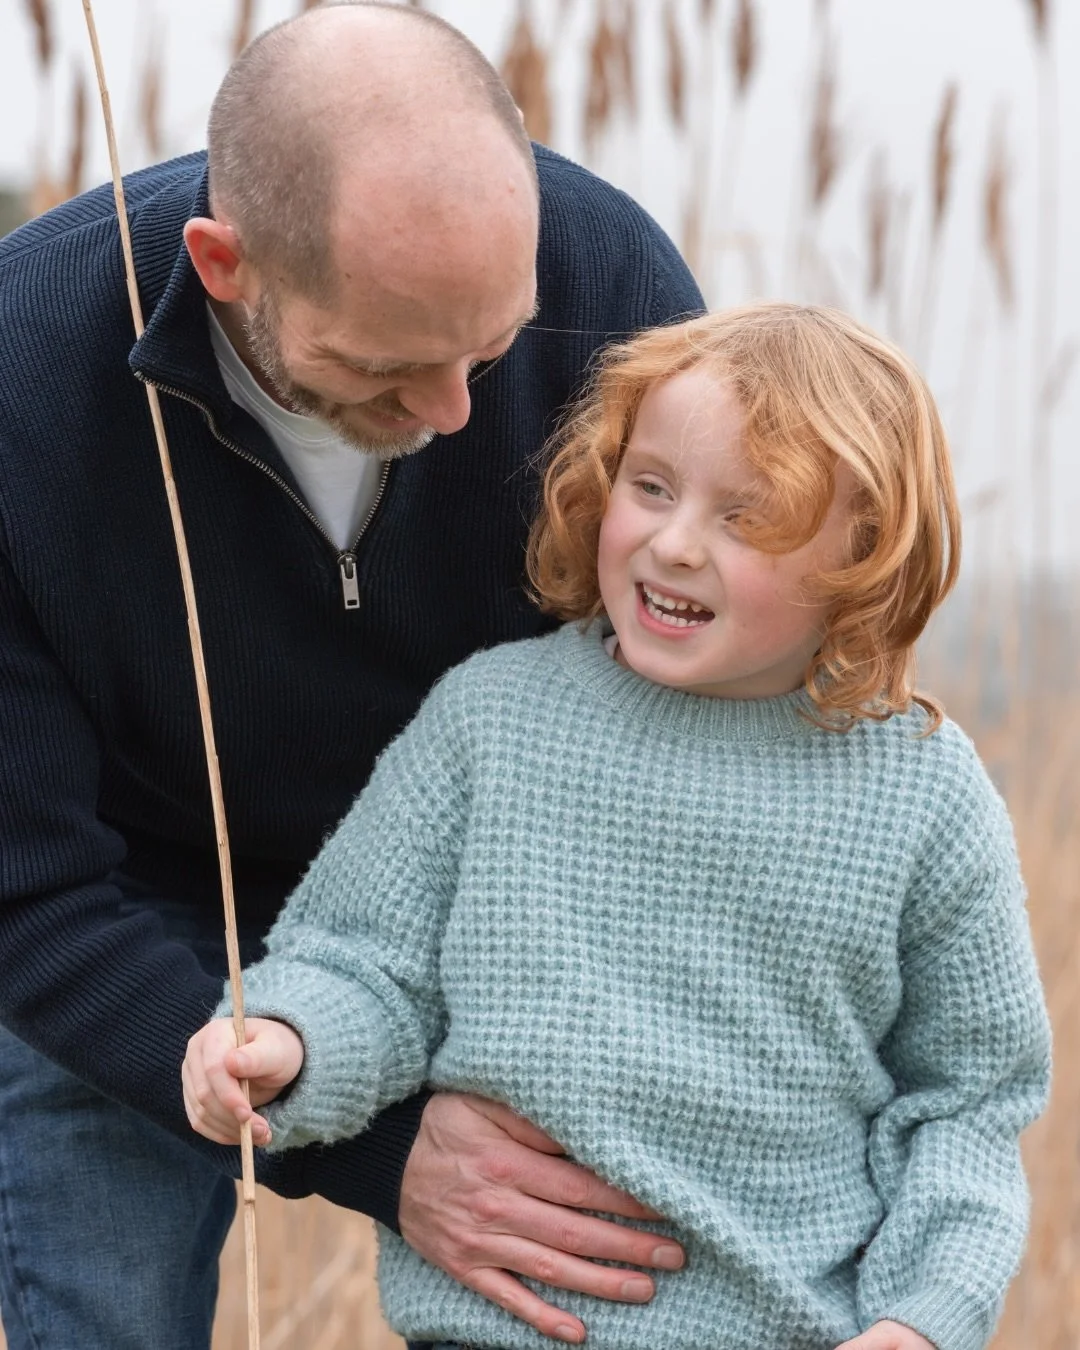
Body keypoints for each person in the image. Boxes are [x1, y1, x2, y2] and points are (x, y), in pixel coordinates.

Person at [0, 3, 705, 1348]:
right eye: (384, 369)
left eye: (490, 349)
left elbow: (694, 712)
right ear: (224, 264)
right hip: (141, 934)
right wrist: (377, 1148)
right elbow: (23, 883)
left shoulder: (610, 280)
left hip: (504, 923)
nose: (455, 414)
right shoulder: (19, 379)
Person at [185, 302, 1051, 1350]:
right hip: (488, 1330)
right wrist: (287, 1039)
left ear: (860, 550)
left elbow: (967, 1106)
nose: (676, 544)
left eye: (749, 515)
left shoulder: (924, 794)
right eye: (651, 488)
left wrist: (921, 1322)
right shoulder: (493, 718)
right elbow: (367, 964)